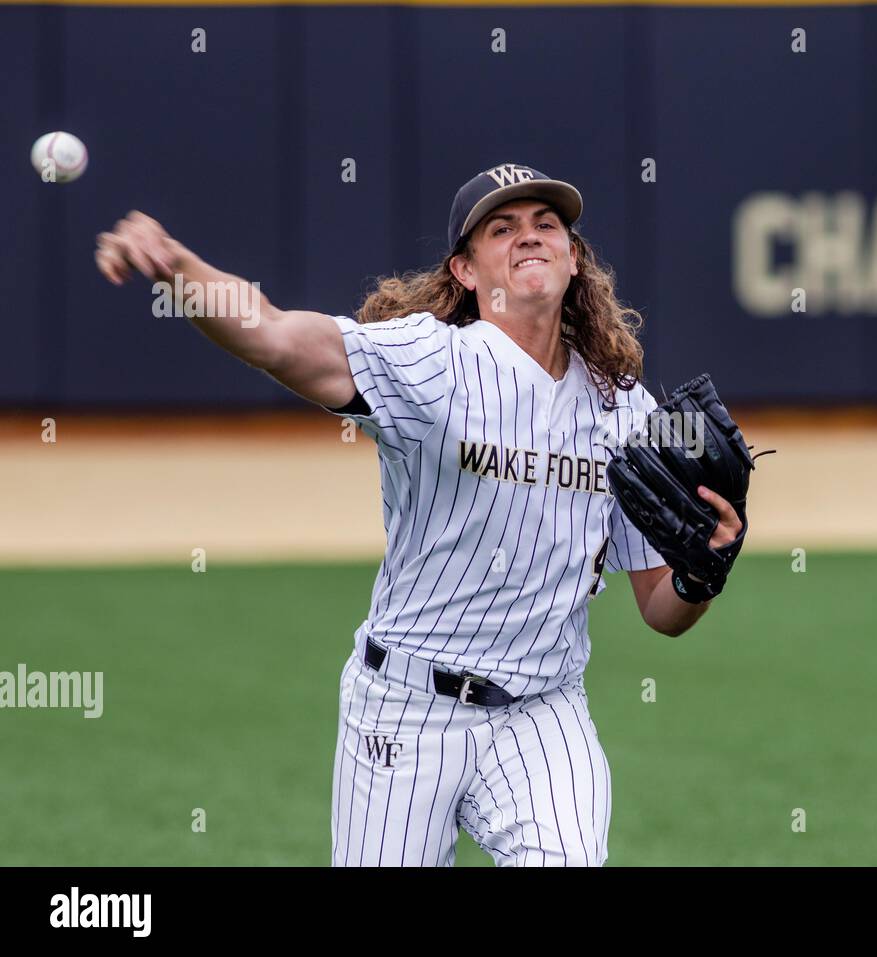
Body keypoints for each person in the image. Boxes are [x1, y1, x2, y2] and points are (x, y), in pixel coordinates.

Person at [94, 163, 744, 866]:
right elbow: (277, 337)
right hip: (404, 710)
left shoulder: (624, 409)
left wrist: (701, 575)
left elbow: (658, 606)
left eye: (546, 224)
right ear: (465, 270)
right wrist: (176, 264)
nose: (529, 236)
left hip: (544, 712)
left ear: (574, 257)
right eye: (503, 227)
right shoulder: (432, 362)